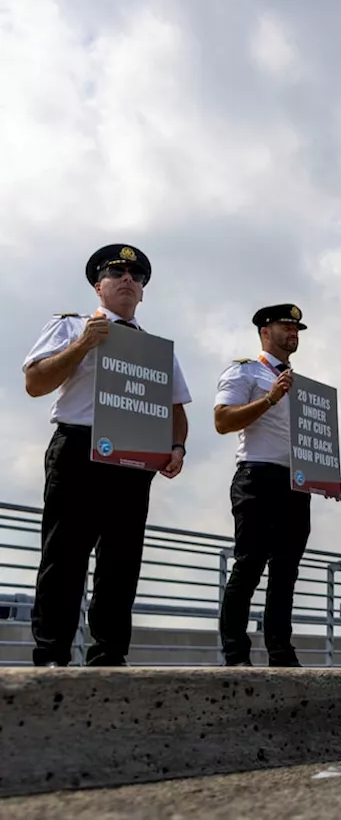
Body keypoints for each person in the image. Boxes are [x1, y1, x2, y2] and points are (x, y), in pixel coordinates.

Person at [23, 244, 191, 667]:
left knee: (122, 559)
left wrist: (176, 447)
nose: (127, 280)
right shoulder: (71, 326)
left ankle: (109, 653)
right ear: (99, 286)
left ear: (143, 292)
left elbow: (176, 409)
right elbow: (35, 382)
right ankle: (52, 653)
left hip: (132, 460)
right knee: (65, 554)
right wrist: (82, 346)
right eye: (117, 273)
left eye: (136, 276)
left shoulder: (155, 348)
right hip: (80, 447)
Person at [214, 303, 312, 667]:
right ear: (265, 330)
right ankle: (236, 653)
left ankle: (280, 651)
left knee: (286, 571)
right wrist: (270, 397)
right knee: (250, 563)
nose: (294, 332)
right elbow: (222, 420)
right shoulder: (247, 371)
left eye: (297, 328)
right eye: (287, 325)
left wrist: (324, 476)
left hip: (294, 483)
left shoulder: (303, 386)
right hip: (257, 476)